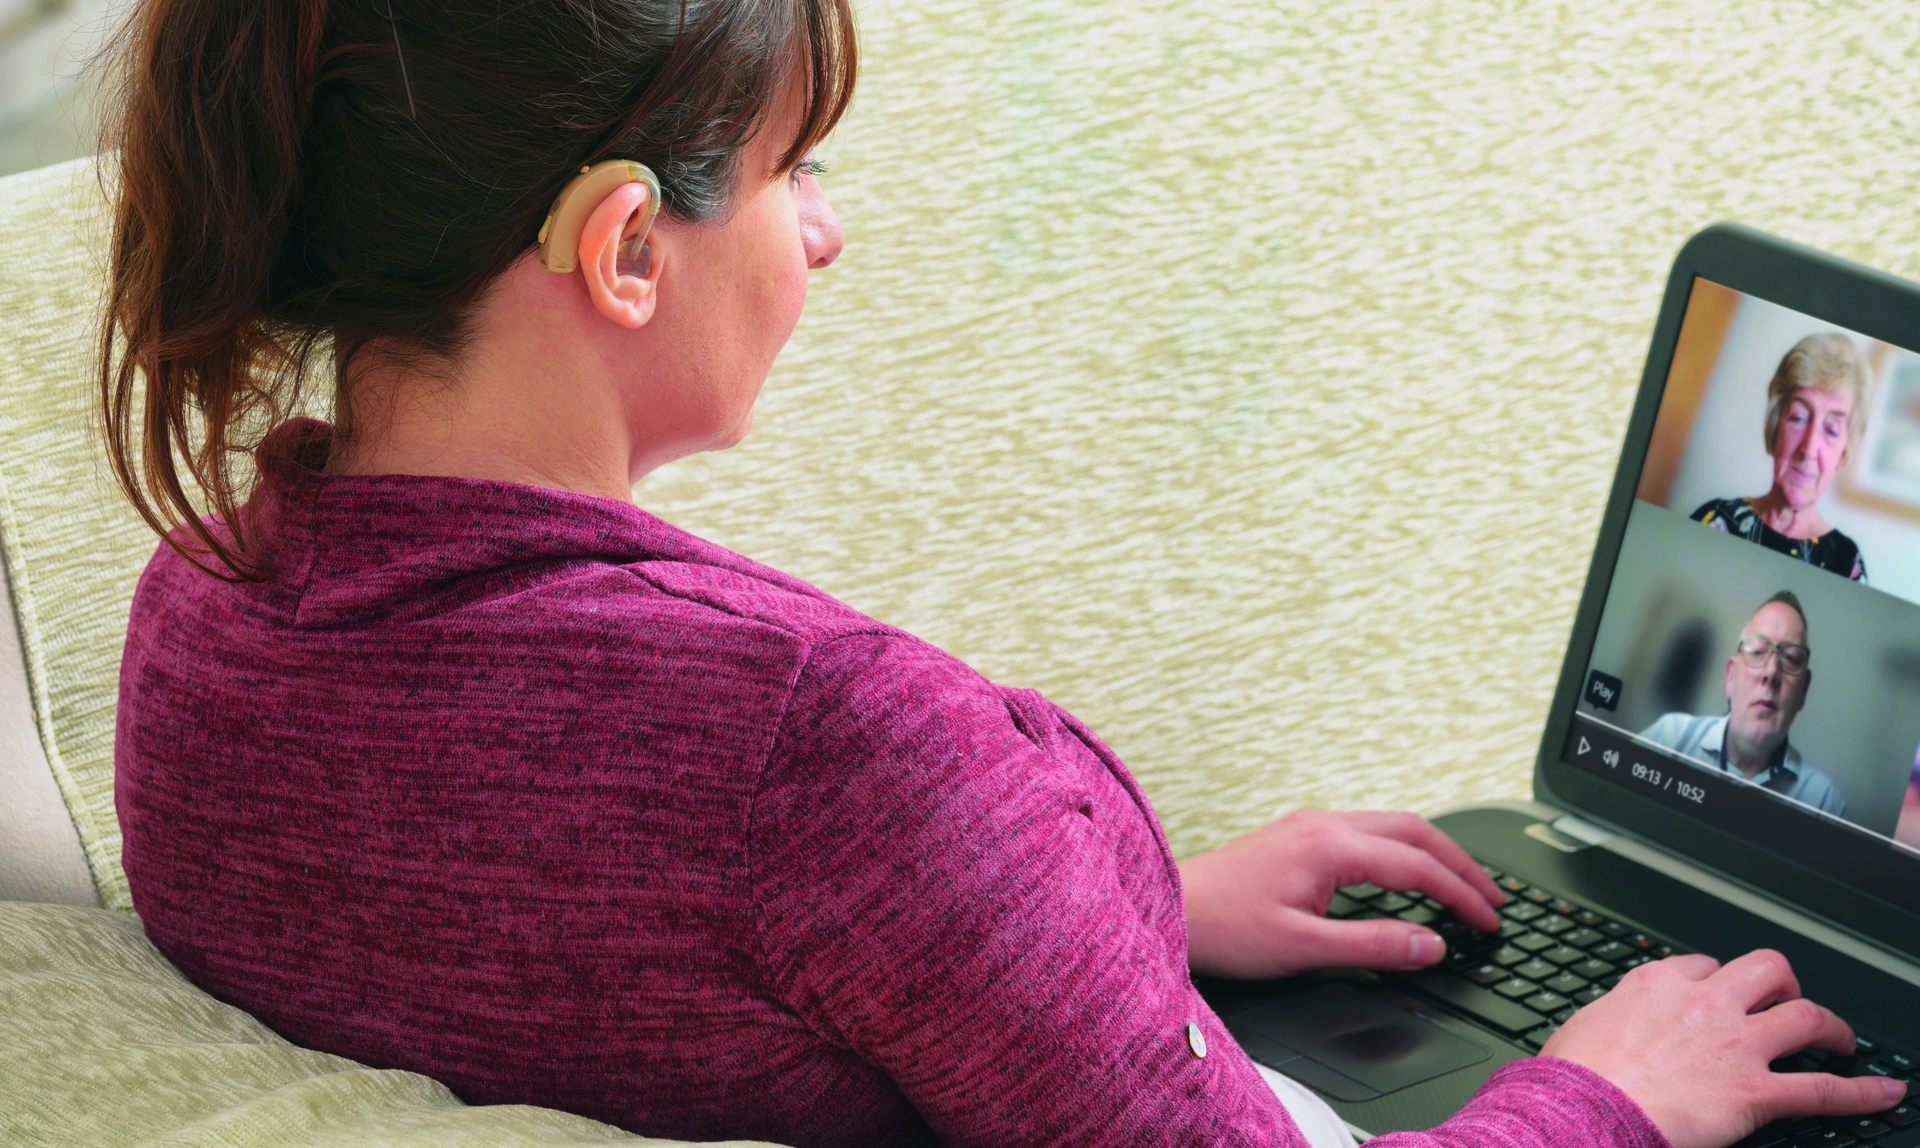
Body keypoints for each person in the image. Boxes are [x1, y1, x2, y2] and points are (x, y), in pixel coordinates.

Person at [101, 2, 1900, 1147]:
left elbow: (600, 939)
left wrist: (1085, 910)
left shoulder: (203, 620)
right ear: (628, 245)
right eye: (798, 164)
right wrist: (1610, 1096)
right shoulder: (822, 741)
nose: (826, 224)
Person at [1640, 592, 1844, 816]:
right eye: (1757, 651)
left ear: (1803, 692)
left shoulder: (1823, 803)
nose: (1771, 672)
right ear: (1730, 676)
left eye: (1790, 658)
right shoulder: (1668, 740)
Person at [1691, 333, 1873, 581]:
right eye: (1799, 417)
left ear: (1842, 454)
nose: (1808, 449)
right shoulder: (1716, 519)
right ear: (1775, 423)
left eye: (1831, 430)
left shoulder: (1845, 563)